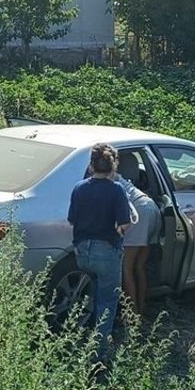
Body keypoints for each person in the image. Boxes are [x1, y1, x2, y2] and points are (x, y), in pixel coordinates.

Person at [67, 143, 132, 358]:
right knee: (107, 300)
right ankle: (98, 350)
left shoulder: (79, 187)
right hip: (106, 252)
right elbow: (124, 224)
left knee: (91, 293)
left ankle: (77, 336)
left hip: (82, 251)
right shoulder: (117, 190)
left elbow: (72, 220)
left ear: (91, 165)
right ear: (114, 165)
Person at [115, 149, 160, 317]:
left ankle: (132, 315)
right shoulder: (121, 179)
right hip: (150, 207)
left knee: (126, 267)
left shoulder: (109, 180)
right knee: (139, 266)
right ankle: (141, 307)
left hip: (139, 212)